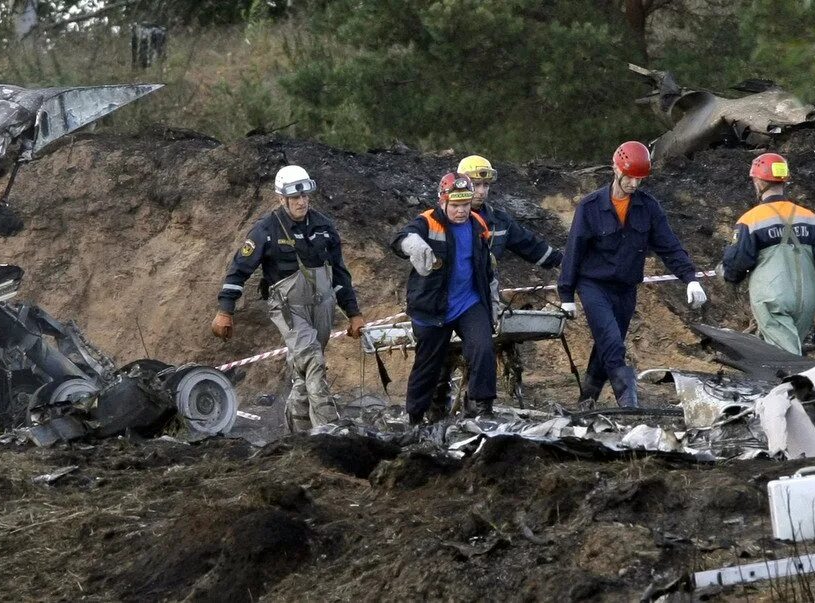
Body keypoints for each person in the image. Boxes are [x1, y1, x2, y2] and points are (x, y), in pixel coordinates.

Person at [211, 165, 366, 432]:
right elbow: (239, 271)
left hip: (323, 306)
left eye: (305, 195)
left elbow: (340, 274)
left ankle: (298, 433)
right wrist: (225, 310)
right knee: (314, 359)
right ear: (281, 198)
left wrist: (353, 313)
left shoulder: (325, 227)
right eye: (295, 197)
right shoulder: (266, 230)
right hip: (287, 308)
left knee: (304, 371)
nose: (302, 201)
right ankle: (327, 430)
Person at [558, 141, 707, 408]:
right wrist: (566, 293)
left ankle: (587, 399)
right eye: (630, 177)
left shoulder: (648, 208)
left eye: (640, 179)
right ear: (616, 168)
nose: (634, 185)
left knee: (607, 343)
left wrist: (690, 279)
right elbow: (574, 250)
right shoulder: (590, 207)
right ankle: (628, 403)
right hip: (594, 285)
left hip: (625, 288)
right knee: (613, 343)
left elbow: (669, 246)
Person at [428, 155, 563, 412]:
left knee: (482, 348)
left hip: (479, 299)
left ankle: (481, 409)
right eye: (475, 185)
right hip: (441, 298)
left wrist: (565, 262)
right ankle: (434, 409)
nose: (480, 192)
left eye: (485, 186)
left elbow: (532, 247)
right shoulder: (439, 220)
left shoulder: (499, 222)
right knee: (440, 353)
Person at [719, 152, 815, 355]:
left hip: (773, 299)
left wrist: (725, 273)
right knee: (781, 350)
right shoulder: (808, 217)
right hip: (808, 300)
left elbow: (737, 264)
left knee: (786, 359)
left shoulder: (752, 219)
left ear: (759, 181)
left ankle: (794, 385)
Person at [392, 172, 497, 425]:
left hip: (469, 302)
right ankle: (416, 416)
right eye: (456, 205)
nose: (462, 211)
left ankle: (481, 409)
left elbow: (486, 269)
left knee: (483, 348)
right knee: (428, 363)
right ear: (443, 202)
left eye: (466, 204)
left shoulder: (478, 225)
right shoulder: (428, 222)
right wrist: (413, 245)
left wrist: (492, 302)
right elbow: (399, 239)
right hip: (432, 306)